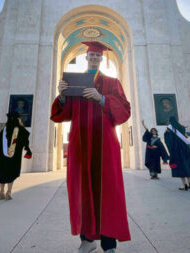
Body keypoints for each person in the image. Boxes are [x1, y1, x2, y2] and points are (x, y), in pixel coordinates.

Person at [50, 41, 131, 253]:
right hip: (80, 144)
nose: (94, 58)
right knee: (81, 191)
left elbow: (125, 110)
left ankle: (108, 244)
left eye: (97, 55)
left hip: (105, 145)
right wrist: (63, 95)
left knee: (108, 191)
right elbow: (62, 114)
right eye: (91, 55)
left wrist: (102, 98)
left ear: (101, 58)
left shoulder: (113, 83)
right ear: (86, 58)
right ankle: (87, 241)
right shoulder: (75, 82)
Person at [0, 111, 32, 200]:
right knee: (11, 173)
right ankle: (9, 192)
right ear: (18, 119)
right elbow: (26, 136)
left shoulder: (3, 130)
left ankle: (1, 191)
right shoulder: (20, 130)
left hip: (2, 157)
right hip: (14, 157)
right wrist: (21, 124)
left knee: (2, 173)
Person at [164, 116, 190, 190]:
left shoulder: (170, 129)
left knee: (181, 167)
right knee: (187, 166)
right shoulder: (182, 127)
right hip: (185, 148)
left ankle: (184, 185)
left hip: (177, 150)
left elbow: (169, 140)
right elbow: (185, 138)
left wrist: (166, 132)